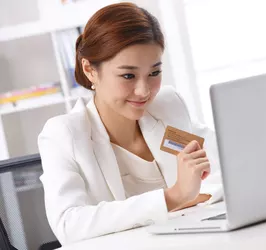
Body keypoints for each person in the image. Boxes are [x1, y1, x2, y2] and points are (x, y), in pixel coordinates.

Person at [38, 2, 222, 246]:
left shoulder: (167, 108)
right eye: (128, 76)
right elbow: (69, 224)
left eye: (154, 73)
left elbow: (228, 169)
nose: (144, 91)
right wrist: (173, 197)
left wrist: (195, 193)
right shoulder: (64, 134)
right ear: (90, 70)